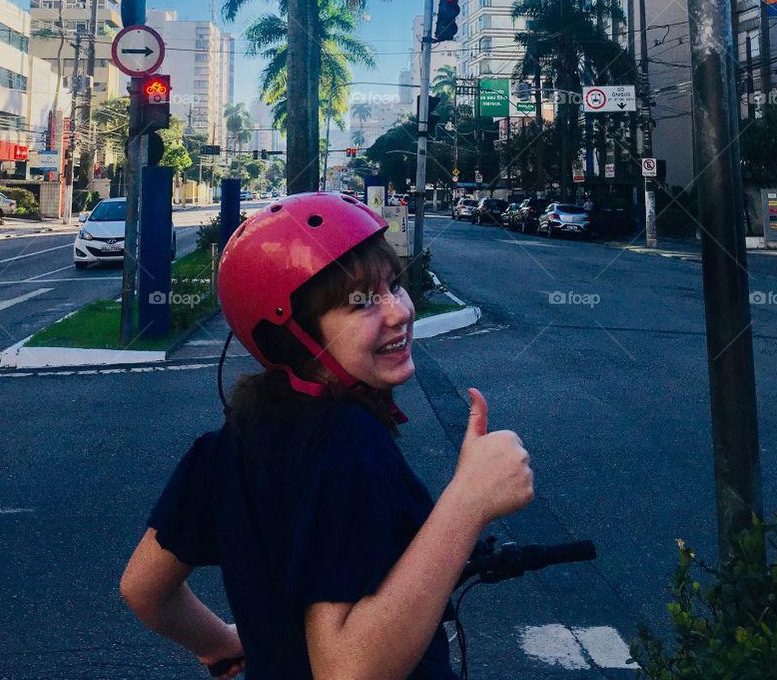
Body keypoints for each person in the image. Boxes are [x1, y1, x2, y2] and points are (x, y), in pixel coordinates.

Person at [120, 192, 534, 680]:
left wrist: (223, 643)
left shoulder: (233, 438)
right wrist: (468, 502)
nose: (400, 312)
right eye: (360, 304)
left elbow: (144, 588)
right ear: (295, 334)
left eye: (393, 286)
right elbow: (346, 669)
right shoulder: (347, 446)